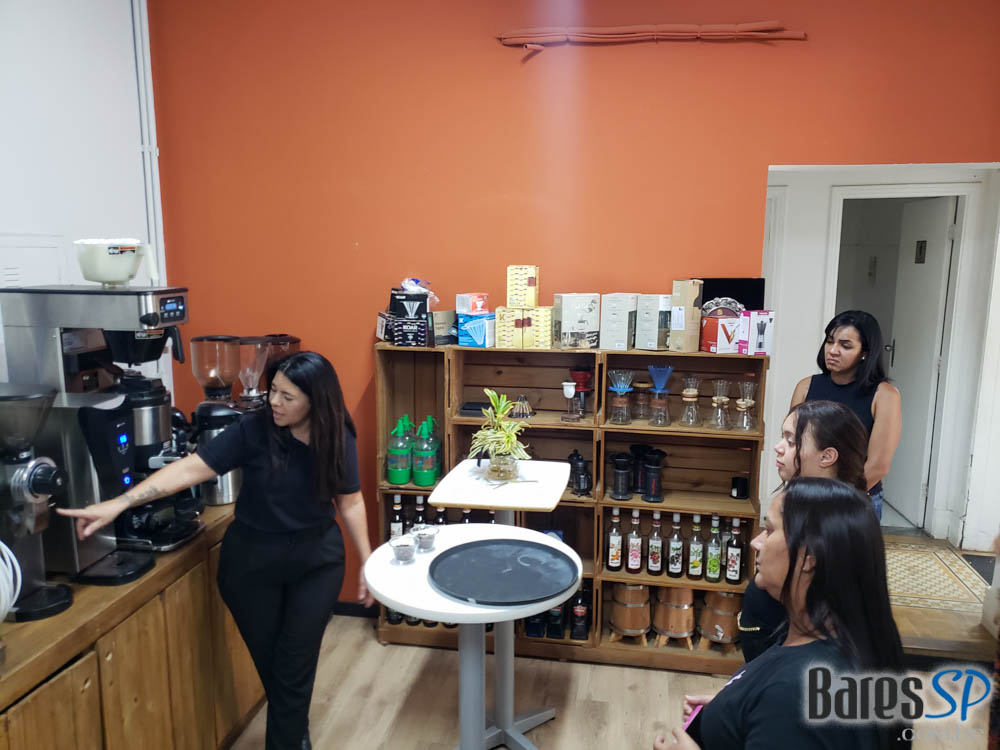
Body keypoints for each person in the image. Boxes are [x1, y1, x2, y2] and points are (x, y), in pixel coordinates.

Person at [58, 351, 373, 750]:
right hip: (251, 566)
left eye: (287, 396)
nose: (274, 401)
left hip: (317, 563)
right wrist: (120, 503)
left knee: (295, 662)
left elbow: (351, 501)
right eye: (273, 390)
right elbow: (192, 467)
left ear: (316, 401)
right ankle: (295, 734)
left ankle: (291, 740)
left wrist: (367, 562)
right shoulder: (254, 429)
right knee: (278, 669)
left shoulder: (337, 435)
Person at [655, 477, 909, 750]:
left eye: (769, 530)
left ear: (809, 557)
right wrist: (733, 707)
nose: (756, 542)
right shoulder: (816, 638)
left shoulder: (797, 695)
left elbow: (790, 714)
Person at [739, 400, 869, 661]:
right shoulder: (798, 499)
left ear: (827, 456)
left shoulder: (836, 521)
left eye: (791, 441)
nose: (778, 447)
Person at [790, 310, 901, 520]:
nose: (833, 350)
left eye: (845, 346)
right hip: (808, 493)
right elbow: (792, 445)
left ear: (864, 352)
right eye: (830, 341)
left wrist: (836, 499)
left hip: (856, 498)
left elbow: (878, 465)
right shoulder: (805, 386)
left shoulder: (884, 395)